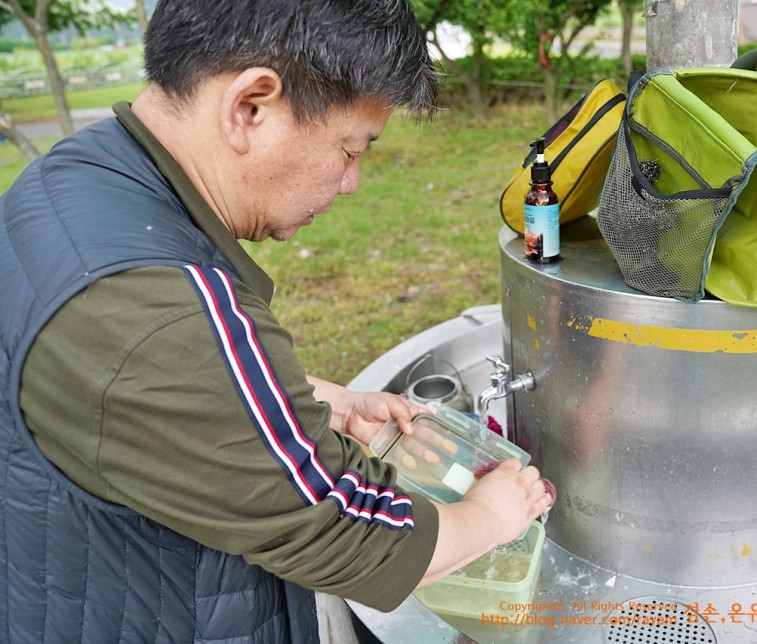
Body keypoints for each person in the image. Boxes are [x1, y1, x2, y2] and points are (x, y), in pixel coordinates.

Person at [0, 1, 551, 642]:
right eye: (349, 149)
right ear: (250, 107)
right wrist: (491, 514)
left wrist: (326, 403)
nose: (351, 183)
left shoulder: (78, 177)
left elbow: (156, 399)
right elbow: (344, 530)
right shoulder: (161, 312)